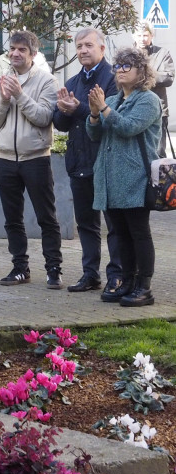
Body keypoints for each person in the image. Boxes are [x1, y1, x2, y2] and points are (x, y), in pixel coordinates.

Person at [0, 30, 62, 289]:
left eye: (22, 50)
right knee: (12, 219)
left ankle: (53, 268)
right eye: (13, 49)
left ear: (33, 55)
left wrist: (19, 94)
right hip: (5, 160)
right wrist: (5, 100)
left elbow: (43, 117)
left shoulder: (47, 82)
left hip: (36, 158)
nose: (16, 53)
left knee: (46, 217)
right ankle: (20, 268)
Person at [87, 46, 163, 307]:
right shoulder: (116, 98)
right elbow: (95, 135)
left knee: (139, 232)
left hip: (136, 177)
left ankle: (144, 287)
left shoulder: (148, 100)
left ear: (141, 70)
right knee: (120, 233)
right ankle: (127, 282)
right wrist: (94, 114)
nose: (119, 71)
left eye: (126, 66)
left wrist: (104, 109)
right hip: (110, 179)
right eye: (117, 66)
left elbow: (128, 127)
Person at [52, 28, 121, 294]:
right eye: (79, 46)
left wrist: (78, 108)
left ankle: (116, 275)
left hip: (106, 163)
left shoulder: (113, 79)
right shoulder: (71, 82)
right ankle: (90, 274)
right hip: (78, 163)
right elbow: (60, 124)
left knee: (113, 224)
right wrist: (60, 109)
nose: (82, 50)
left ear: (102, 48)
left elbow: (109, 118)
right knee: (86, 224)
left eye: (88, 45)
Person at [140, 24, 174, 157]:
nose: (142, 39)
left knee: (158, 152)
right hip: (133, 109)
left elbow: (169, 77)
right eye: (139, 35)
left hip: (159, 110)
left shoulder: (162, 53)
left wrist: (146, 76)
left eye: (145, 35)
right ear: (133, 36)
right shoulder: (128, 54)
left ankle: (159, 178)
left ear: (151, 36)